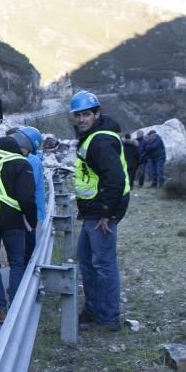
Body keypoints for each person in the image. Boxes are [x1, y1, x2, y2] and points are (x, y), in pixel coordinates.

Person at [69, 91, 130, 332]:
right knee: (86, 261)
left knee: (103, 265)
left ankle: (107, 318)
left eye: (86, 114)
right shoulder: (92, 137)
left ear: (97, 114)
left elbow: (114, 178)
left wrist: (107, 213)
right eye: (78, 115)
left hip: (101, 213)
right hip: (93, 211)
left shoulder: (101, 141)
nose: (82, 119)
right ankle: (93, 311)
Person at [0, 134, 37, 324]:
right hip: (14, 222)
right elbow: (27, 198)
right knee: (16, 263)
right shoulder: (22, 164)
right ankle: (15, 307)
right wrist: (31, 221)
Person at [11, 125, 45, 264]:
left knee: (28, 250)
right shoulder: (27, 159)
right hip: (28, 213)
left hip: (32, 214)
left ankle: (27, 281)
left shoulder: (33, 161)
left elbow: (30, 186)